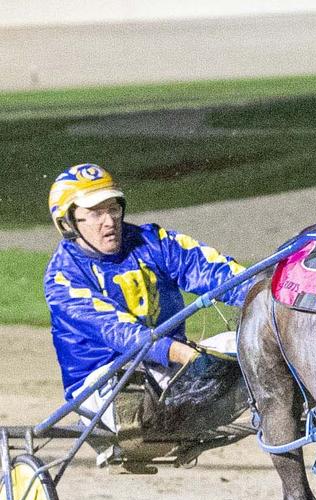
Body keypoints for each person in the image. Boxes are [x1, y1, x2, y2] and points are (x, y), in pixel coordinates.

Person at [43, 163, 250, 452]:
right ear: (67, 222)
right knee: (132, 382)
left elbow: (215, 271)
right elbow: (119, 332)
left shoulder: (153, 242)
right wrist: (180, 353)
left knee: (254, 341)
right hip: (105, 384)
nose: (109, 221)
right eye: (95, 213)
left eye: (113, 208)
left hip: (170, 369)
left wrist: (262, 297)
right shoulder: (63, 279)